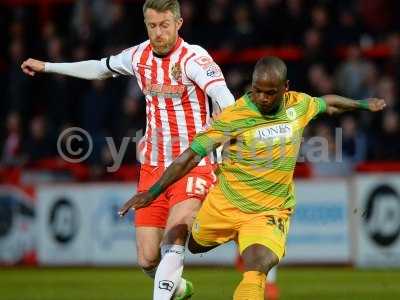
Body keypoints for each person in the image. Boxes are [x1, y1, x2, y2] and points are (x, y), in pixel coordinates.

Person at [119, 56, 386, 300]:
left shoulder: (298, 104)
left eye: (271, 92)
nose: (263, 98)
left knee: (257, 264)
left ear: (285, 88)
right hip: (224, 205)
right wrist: (152, 193)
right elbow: (191, 155)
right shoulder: (234, 116)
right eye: (257, 90)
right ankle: (178, 287)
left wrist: (362, 104)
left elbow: (328, 104)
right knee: (192, 245)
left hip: (269, 211)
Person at [21, 1, 235, 299]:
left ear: (179, 24)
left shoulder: (194, 58)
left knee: (176, 233)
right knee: (147, 259)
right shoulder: (139, 56)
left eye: (164, 25)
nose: (158, 32)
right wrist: (48, 66)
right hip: (154, 166)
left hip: (192, 163)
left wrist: (224, 135)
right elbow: (98, 69)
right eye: (152, 25)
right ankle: (179, 287)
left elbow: (225, 98)